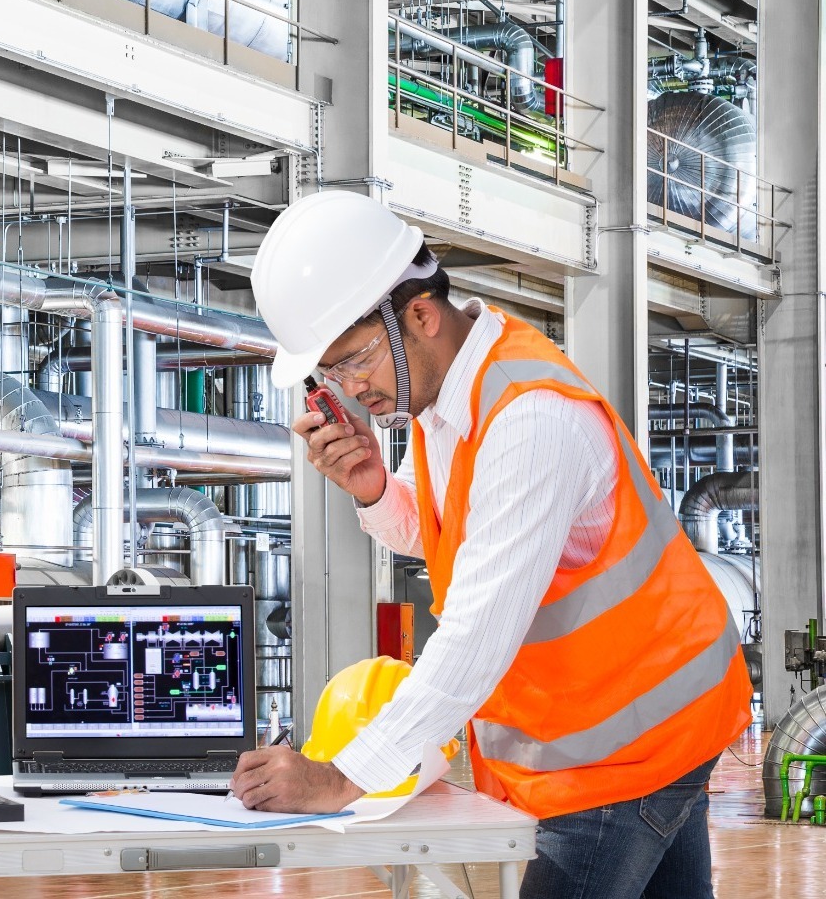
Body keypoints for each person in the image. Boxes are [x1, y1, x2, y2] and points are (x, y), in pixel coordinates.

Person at [229, 191, 752, 898]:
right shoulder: (443, 398)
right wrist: (373, 487)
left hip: (617, 746)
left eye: (352, 361)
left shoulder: (528, 420)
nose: (348, 391)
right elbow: (444, 535)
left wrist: (340, 777)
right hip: (639, 721)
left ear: (417, 314)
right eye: (329, 375)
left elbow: (476, 631)